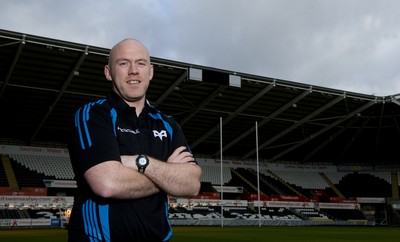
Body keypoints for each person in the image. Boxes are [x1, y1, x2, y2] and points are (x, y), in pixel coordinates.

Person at [67, 38, 202, 242]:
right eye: (123, 63)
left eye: (141, 63)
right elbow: (107, 184)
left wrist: (138, 162)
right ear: (108, 72)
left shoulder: (168, 125)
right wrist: (168, 176)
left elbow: (192, 184)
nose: (133, 71)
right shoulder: (92, 115)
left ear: (151, 71)